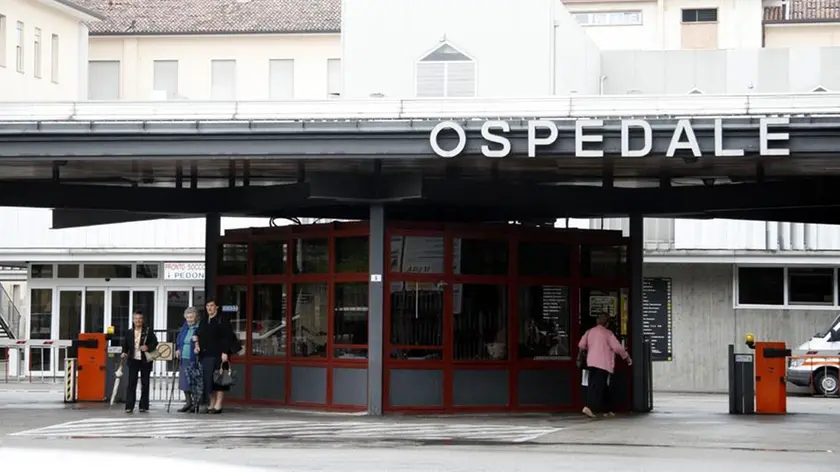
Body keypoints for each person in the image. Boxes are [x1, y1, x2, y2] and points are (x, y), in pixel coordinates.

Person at [578, 313, 632, 418]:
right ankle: (588, 407)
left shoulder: (589, 332)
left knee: (602, 387)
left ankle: (607, 409)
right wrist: (627, 357)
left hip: (591, 363)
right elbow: (618, 348)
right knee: (597, 387)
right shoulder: (608, 334)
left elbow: (581, 345)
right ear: (607, 324)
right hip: (603, 364)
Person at [196, 298, 239, 414]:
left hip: (219, 354)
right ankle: (211, 403)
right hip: (206, 354)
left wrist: (225, 352)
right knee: (208, 380)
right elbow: (198, 334)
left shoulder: (222, 320)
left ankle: (218, 404)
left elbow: (228, 337)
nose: (209, 308)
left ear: (216, 307)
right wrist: (196, 343)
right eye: (207, 306)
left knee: (219, 380)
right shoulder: (204, 321)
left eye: (212, 305)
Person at [121, 310, 159, 413]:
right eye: (136, 319)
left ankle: (143, 406)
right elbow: (125, 345)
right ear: (133, 320)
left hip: (145, 360)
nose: (138, 320)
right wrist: (124, 352)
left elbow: (155, 342)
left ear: (143, 320)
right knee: (131, 383)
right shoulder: (129, 332)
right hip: (133, 360)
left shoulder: (148, 331)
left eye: (140, 318)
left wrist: (148, 347)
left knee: (145, 383)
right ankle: (129, 406)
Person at [174, 306, 201, 413]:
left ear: (196, 317)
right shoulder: (185, 327)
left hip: (193, 358)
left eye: (191, 317)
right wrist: (177, 349)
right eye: (187, 317)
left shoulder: (199, 328)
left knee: (193, 382)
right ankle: (188, 403)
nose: (189, 320)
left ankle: (195, 404)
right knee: (184, 381)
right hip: (183, 358)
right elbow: (179, 339)